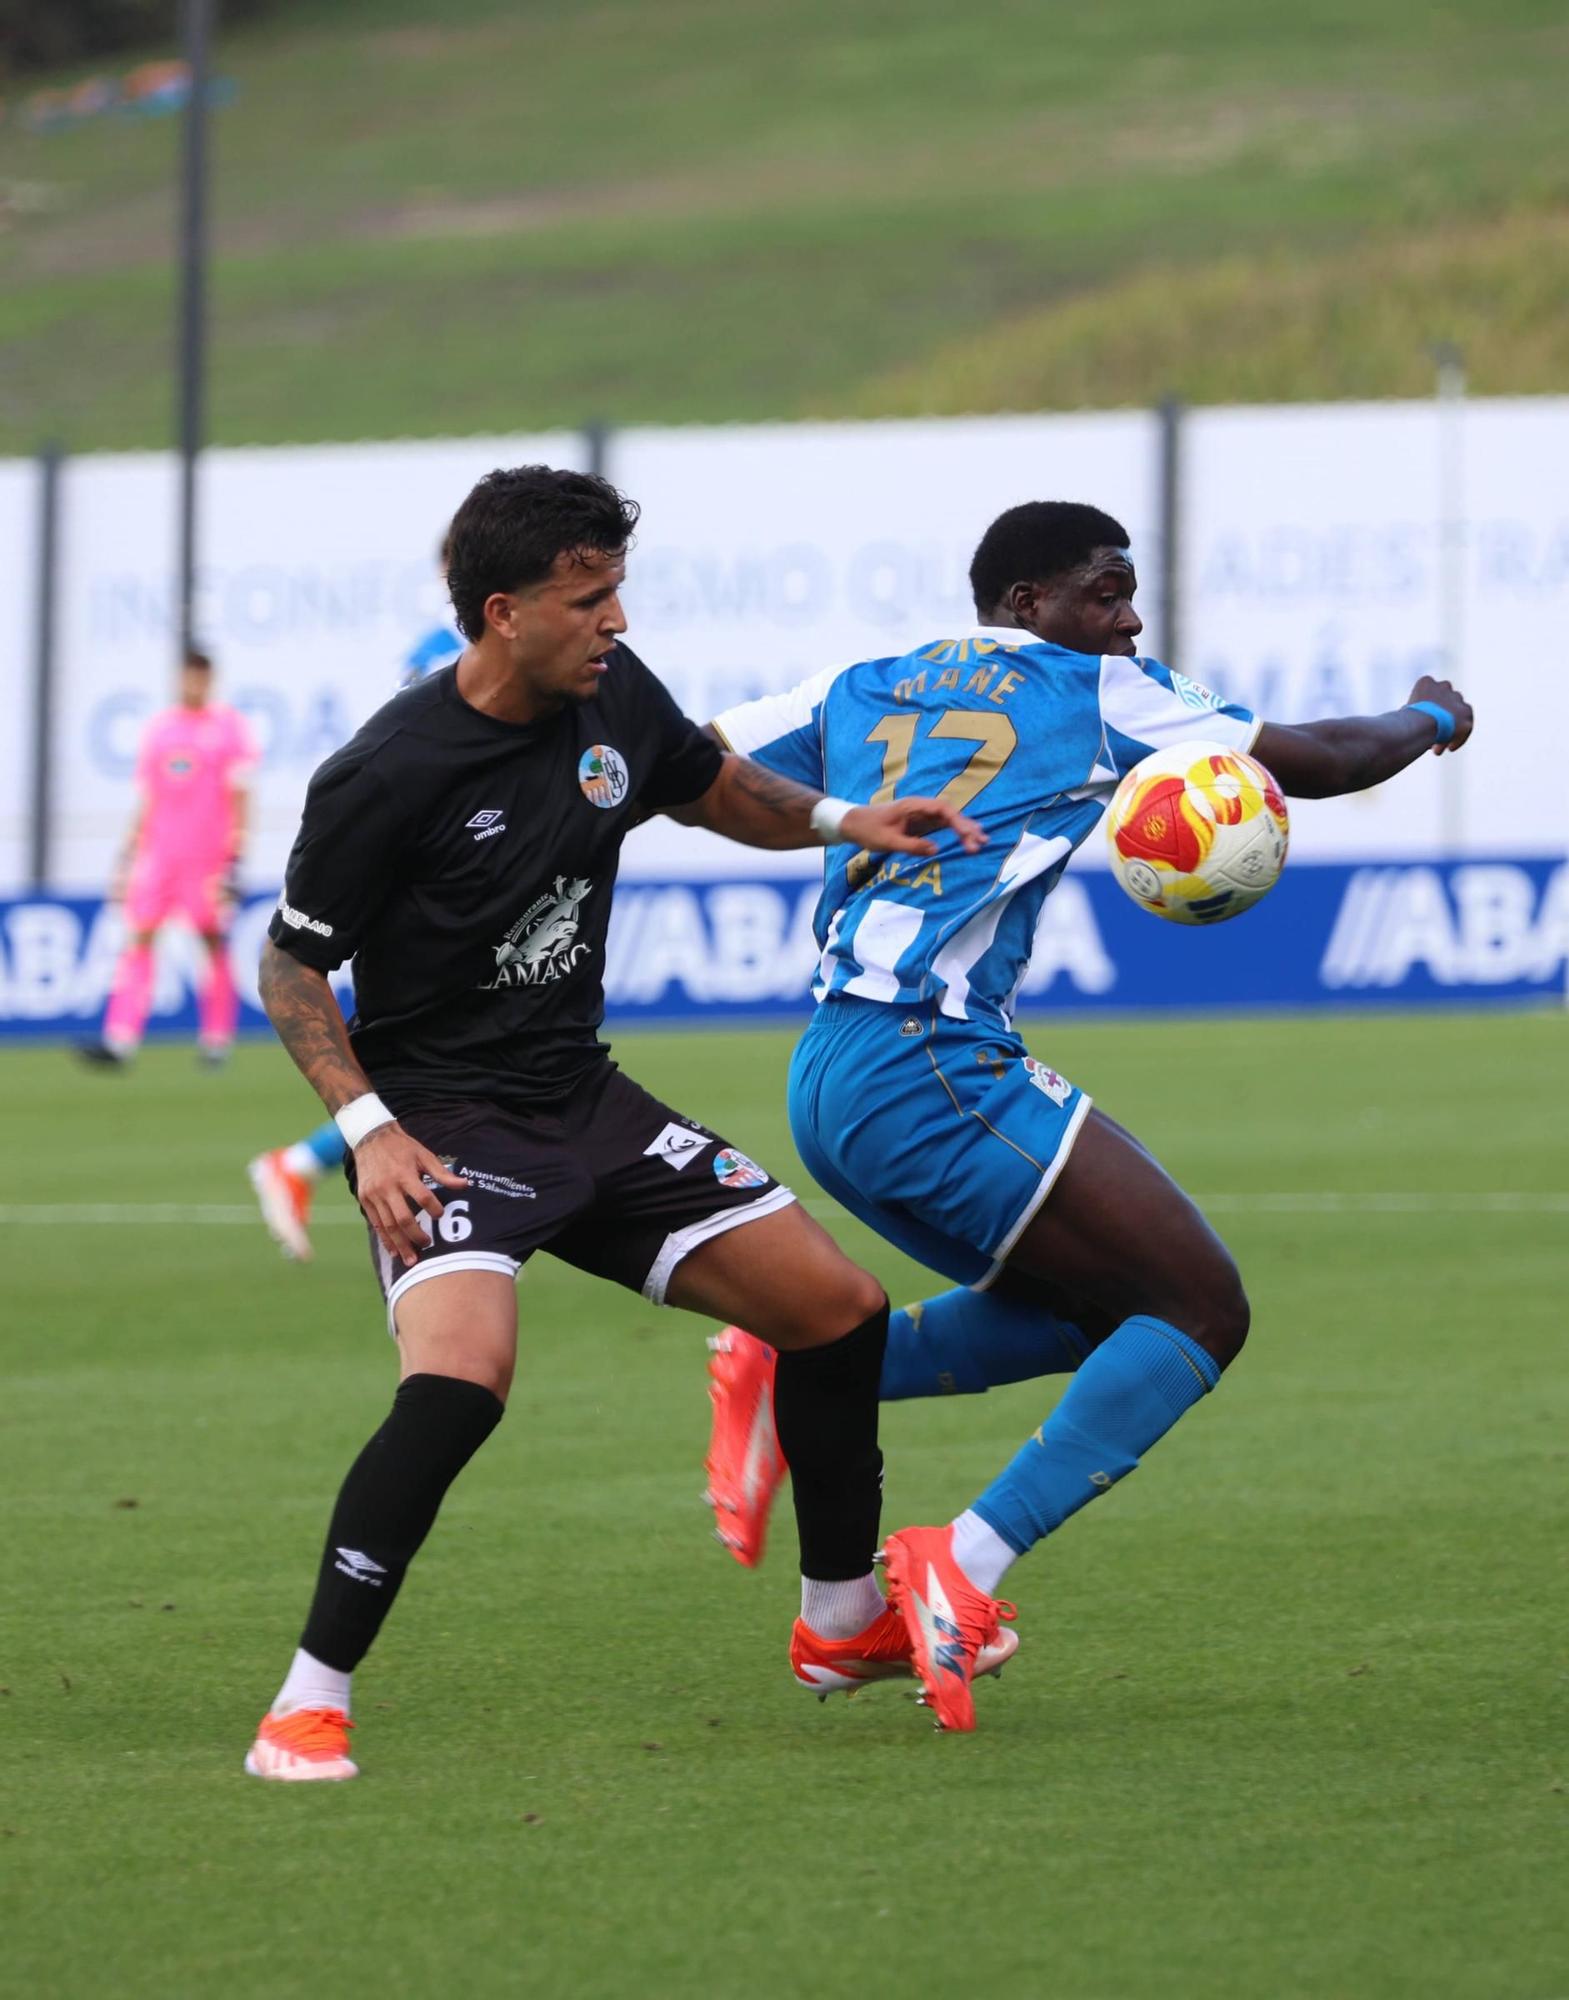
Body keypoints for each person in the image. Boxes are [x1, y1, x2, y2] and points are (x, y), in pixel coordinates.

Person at [243, 466, 998, 1782]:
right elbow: (293, 968)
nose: (617, 622)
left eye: (617, 592)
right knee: (461, 1383)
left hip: (582, 1100)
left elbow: (706, 782)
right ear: (501, 612)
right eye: (588, 599)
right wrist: (367, 1130)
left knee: (836, 1309)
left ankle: (837, 1624)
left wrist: (840, 819)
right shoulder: (387, 771)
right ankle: (307, 1702)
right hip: (446, 1122)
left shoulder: (610, 698)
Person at [700, 499, 1474, 1732]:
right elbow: (1321, 759)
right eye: (1104, 592)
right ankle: (965, 1558)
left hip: (832, 1068)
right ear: (1027, 605)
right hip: (930, 1064)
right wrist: (1434, 714)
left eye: (1128, 594)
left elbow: (699, 769)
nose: (1128, 617)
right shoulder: (1093, 688)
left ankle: (793, 1353)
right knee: (1201, 1307)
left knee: (1105, 1310)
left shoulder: (862, 679)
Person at [248, 535, 463, 1260]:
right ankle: (300, 1162)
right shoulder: (452, 651)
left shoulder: (430, 644)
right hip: (437, 870)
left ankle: (305, 1164)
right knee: (444, 1043)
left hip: (428, 860)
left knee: (452, 1044)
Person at [76, 645, 256, 1069]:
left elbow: (241, 795)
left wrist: (237, 853)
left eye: (199, 676)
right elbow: (148, 798)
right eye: (187, 676)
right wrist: (128, 853)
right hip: (160, 856)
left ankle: (217, 1038)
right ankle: (119, 1039)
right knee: (139, 938)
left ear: (209, 680)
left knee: (211, 943)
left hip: (206, 859)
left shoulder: (228, 729)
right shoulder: (160, 730)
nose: (192, 684)